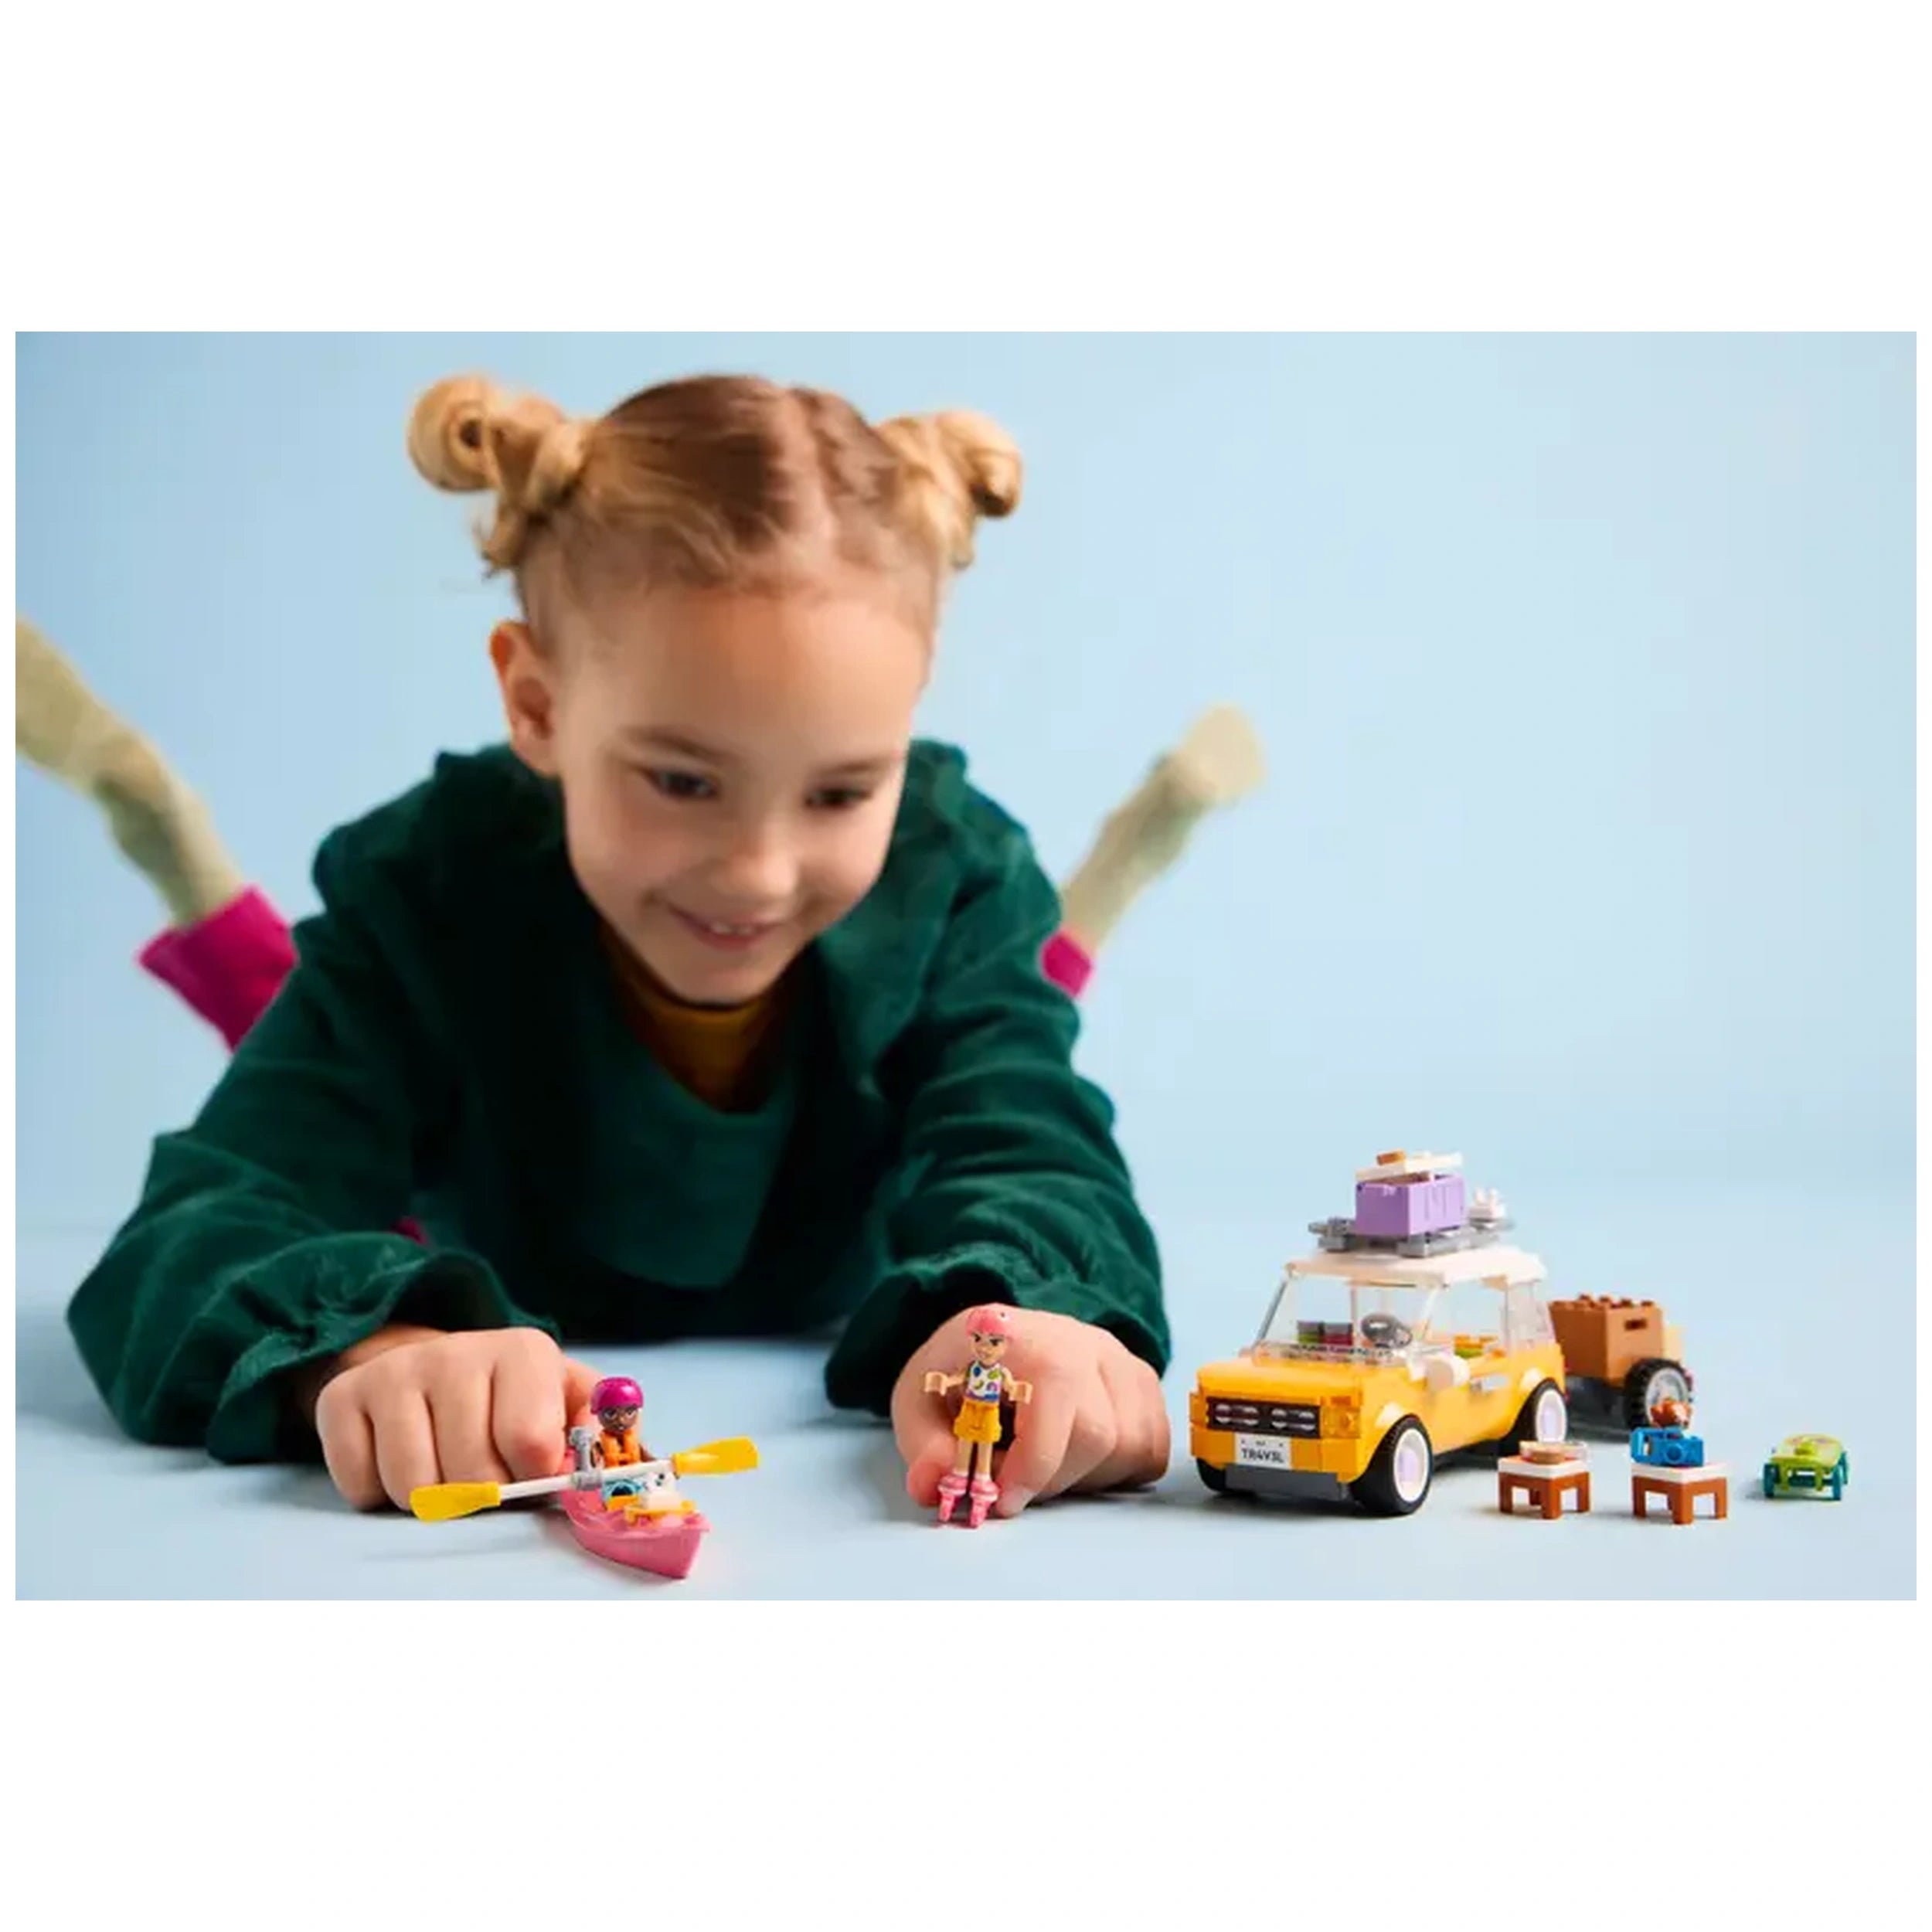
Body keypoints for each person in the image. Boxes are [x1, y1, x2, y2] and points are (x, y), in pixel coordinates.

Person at [18, 369, 1261, 1522]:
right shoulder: (431, 884)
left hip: (858, 1249)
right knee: (260, 996)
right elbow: (217, 1208)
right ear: (537, 705)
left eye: (840, 793)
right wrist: (375, 1347)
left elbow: (1029, 1144)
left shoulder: (955, 875)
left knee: (1045, 979)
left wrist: (1024, 1320)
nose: (758, 874)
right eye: (680, 779)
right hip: (499, 1264)